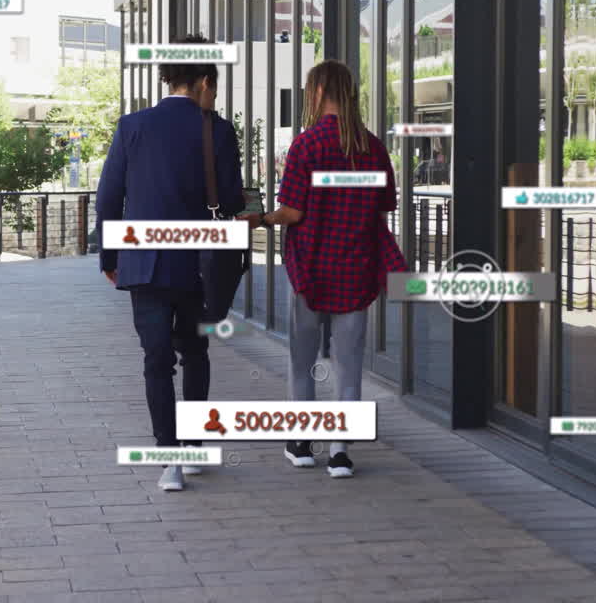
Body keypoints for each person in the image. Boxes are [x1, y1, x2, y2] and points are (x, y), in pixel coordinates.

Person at [96, 33, 245, 492]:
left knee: (156, 360)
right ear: (203, 80)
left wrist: (110, 255)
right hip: (200, 268)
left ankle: (170, 461)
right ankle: (195, 448)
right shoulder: (217, 130)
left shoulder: (132, 126)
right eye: (214, 87)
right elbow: (235, 200)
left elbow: (108, 197)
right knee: (196, 353)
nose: (213, 96)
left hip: (146, 265)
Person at [243, 60, 405, 479]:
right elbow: (384, 210)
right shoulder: (373, 147)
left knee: (302, 359)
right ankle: (339, 452)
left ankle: (301, 443)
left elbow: (293, 212)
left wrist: (261, 219)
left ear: (316, 93)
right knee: (349, 364)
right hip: (357, 270)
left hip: (312, 270)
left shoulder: (307, 145)